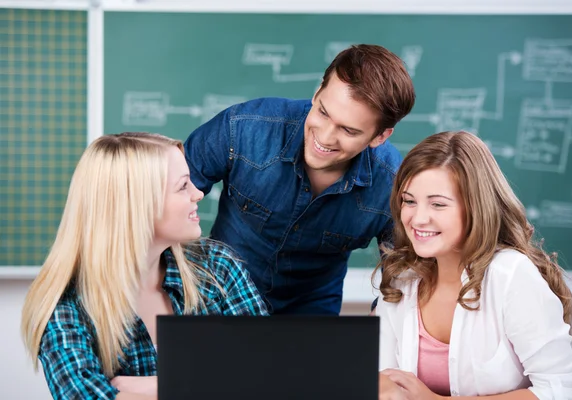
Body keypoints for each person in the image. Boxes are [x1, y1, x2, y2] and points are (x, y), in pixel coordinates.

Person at [21, 132, 268, 400]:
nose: (198, 194)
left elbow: (269, 374)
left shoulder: (217, 267)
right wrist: (215, 383)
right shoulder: (65, 305)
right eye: (183, 185)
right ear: (138, 205)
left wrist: (148, 388)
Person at [184, 44, 416, 314]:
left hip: (311, 317)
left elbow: (405, 279)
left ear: (380, 136)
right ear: (317, 92)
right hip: (217, 298)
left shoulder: (393, 186)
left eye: (349, 130)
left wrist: (382, 320)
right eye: (323, 112)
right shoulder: (243, 128)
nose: (325, 137)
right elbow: (160, 200)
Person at [376, 131, 572, 399]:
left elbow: (560, 391)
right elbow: (382, 381)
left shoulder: (510, 275)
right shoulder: (403, 280)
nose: (418, 218)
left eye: (438, 204)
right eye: (409, 201)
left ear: (475, 207)